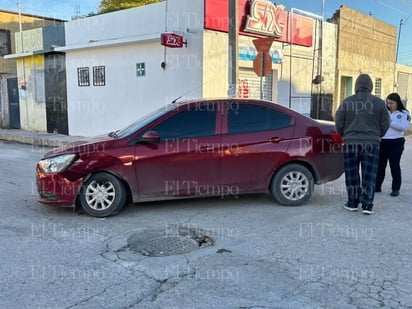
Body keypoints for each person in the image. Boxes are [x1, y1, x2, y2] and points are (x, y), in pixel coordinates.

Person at [335, 73, 390, 215]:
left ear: (356, 86)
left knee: (351, 173)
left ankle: (352, 202)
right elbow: (386, 123)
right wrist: (378, 135)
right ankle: (367, 205)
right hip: (372, 143)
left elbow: (339, 122)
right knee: (369, 174)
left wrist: (344, 135)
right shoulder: (379, 103)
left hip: (351, 142)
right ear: (370, 86)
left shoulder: (347, 102)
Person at [375, 93, 411, 197]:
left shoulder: (404, 113)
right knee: (380, 165)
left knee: (394, 165)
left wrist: (389, 122)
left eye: (391, 103)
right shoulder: (385, 112)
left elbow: (404, 127)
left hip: (396, 142)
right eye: (388, 103)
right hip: (383, 141)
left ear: (397, 102)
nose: (389, 105)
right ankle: (377, 186)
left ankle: (395, 188)